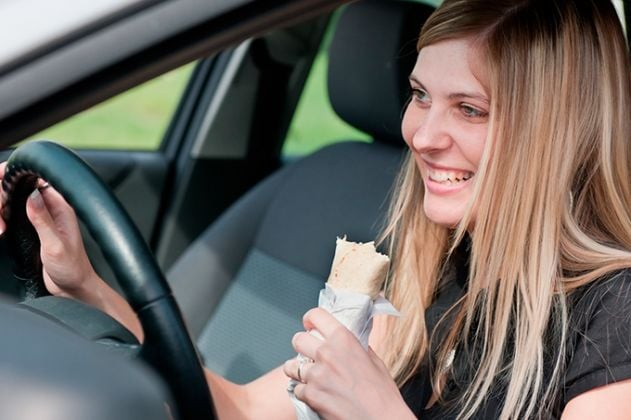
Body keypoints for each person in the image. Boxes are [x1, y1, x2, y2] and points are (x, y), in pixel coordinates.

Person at [3, 0, 631, 418]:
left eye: (470, 109)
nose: (421, 135)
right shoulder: (436, 273)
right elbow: (241, 408)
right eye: (419, 95)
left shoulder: (613, 317)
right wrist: (84, 287)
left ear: (557, 134)